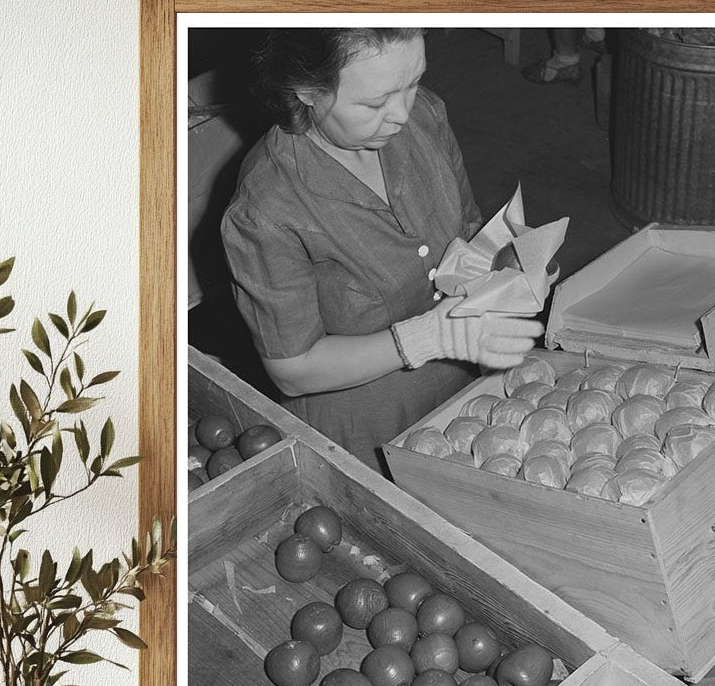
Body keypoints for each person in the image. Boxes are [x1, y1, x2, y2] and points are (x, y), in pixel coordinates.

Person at [221, 28, 542, 472]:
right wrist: (431, 335)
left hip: (468, 396)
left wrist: (513, 267)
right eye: (375, 104)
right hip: (367, 431)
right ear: (307, 91)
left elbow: (468, 231)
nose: (402, 114)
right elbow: (292, 370)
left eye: (412, 82)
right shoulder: (267, 208)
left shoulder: (424, 116)